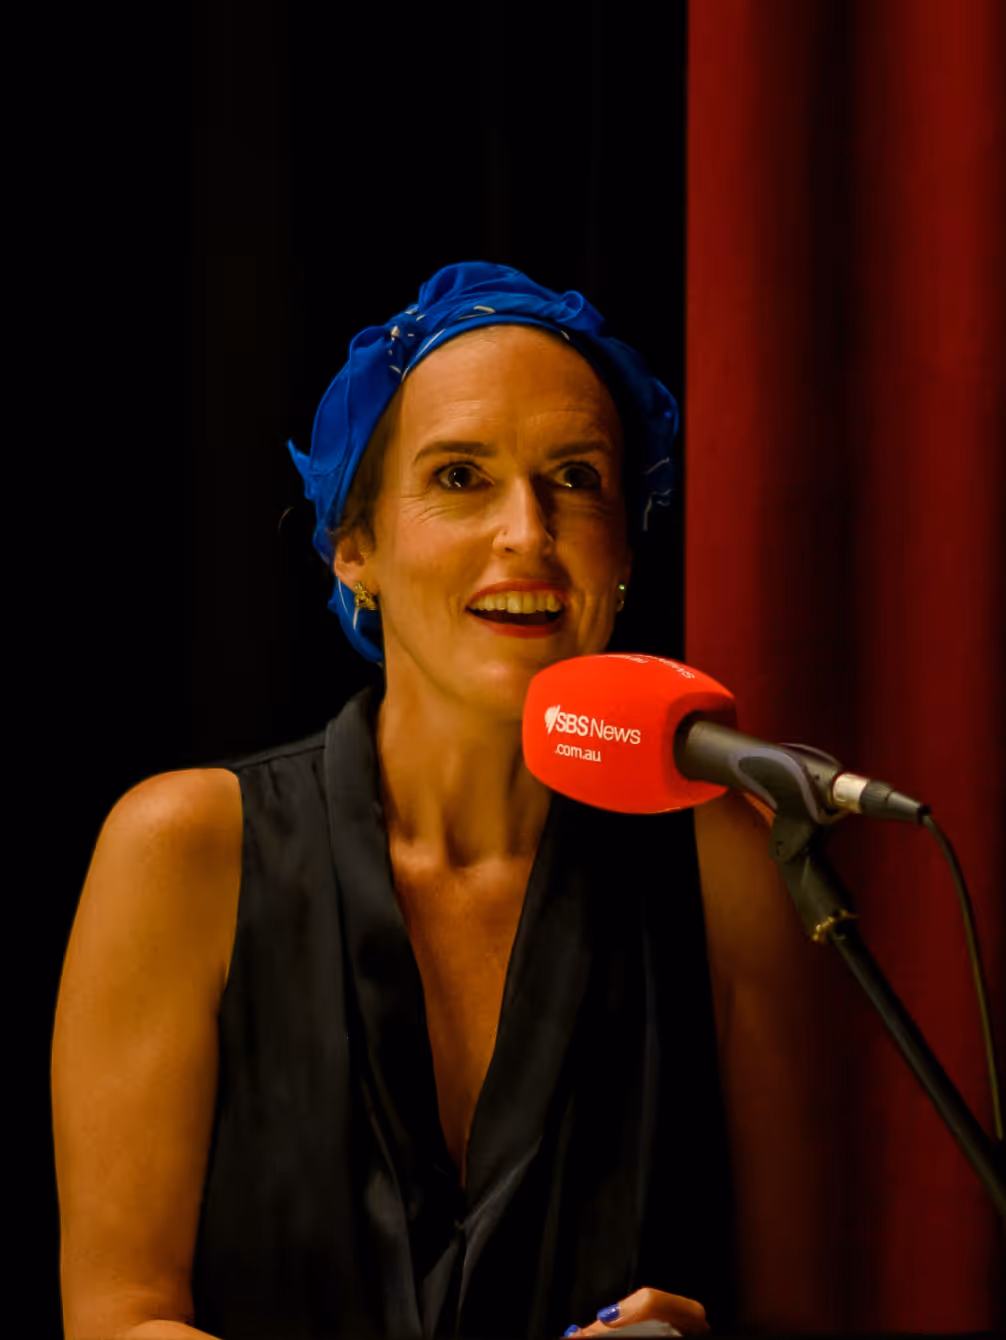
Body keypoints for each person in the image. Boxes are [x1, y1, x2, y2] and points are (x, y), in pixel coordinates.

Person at [53, 263, 840, 1340]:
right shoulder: (180, 851)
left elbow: (801, 1308)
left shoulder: (723, 859)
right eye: (462, 476)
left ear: (621, 549)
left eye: (575, 476)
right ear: (355, 549)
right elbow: (119, 1316)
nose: (527, 529)